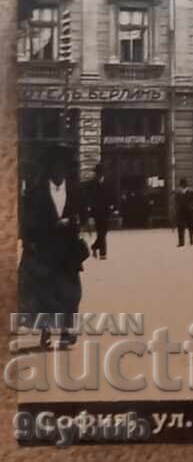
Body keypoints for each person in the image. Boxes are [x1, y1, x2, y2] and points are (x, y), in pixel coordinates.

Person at [19, 144, 88, 350]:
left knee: (70, 294)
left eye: (63, 167)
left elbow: (82, 215)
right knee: (45, 294)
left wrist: (74, 222)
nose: (59, 172)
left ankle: (66, 332)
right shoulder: (34, 192)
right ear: (49, 169)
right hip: (45, 252)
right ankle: (46, 333)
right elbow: (26, 221)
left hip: (67, 253)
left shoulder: (75, 191)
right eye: (56, 168)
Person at [84, 161, 114, 260]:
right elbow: (89, 197)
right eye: (99, 172)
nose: (100, 173)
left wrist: (113, 206)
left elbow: (113, 194)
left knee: (104, 231)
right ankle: (103, 253)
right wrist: (89, 208)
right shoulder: (92, 183)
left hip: (106, 210)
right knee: (100, 231)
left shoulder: (108, 182)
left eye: (102, 171)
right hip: (96, 211)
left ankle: (94, 246)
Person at [175, 178, 193, 247]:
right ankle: (181, 242)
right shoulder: (178, 192)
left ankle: (191, 239)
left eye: (183, 184)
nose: (182, 185)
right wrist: (177, 208)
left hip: (189, 211)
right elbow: (176, 201)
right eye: (182, 184)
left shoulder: (191, 191)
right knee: (180, 227)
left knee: (191, 226)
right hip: (181, 211)